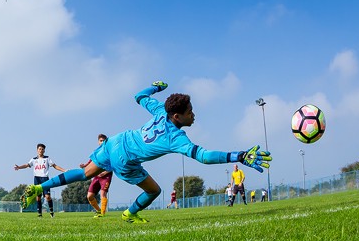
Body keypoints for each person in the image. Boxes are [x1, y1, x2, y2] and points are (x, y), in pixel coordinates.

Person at [22, 81, 271, 223]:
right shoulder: (176, 137)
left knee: (84, 173)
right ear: (177, 116)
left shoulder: (161, 110)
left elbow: (139, 96)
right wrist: (239, 156)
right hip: (126, 158)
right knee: (154, 191)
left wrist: (155, 87)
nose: (194, 115)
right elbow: (204, 157)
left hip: (117, 141)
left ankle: (39, 188)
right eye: (190, 112)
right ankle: (129, 214)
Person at [15, 143, 66, 217]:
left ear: (44, 151)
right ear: (37, 150)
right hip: (37, 179)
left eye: (42, 149)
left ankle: (51, 212)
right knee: (38, 197)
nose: (41, 150)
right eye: (39, 149)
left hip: (45, 179)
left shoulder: (47, 158)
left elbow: (55, 166)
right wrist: (19, 167)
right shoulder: (33, 159)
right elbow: (27, 165)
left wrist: (64, 170)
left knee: (47, 197)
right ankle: (39, 214)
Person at [82, 134, 112, 218]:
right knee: (89, 196)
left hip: (106, 177)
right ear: (98, 142)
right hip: (96, 177)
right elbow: (90, 162)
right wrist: (84, 165)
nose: (102, 142)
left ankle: (102, 213)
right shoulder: (96, 152)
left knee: (103, 194)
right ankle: (98, 210)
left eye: (104, 141)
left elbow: (114, 165)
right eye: (100, 141)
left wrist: (105, 172)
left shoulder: (110, 152)